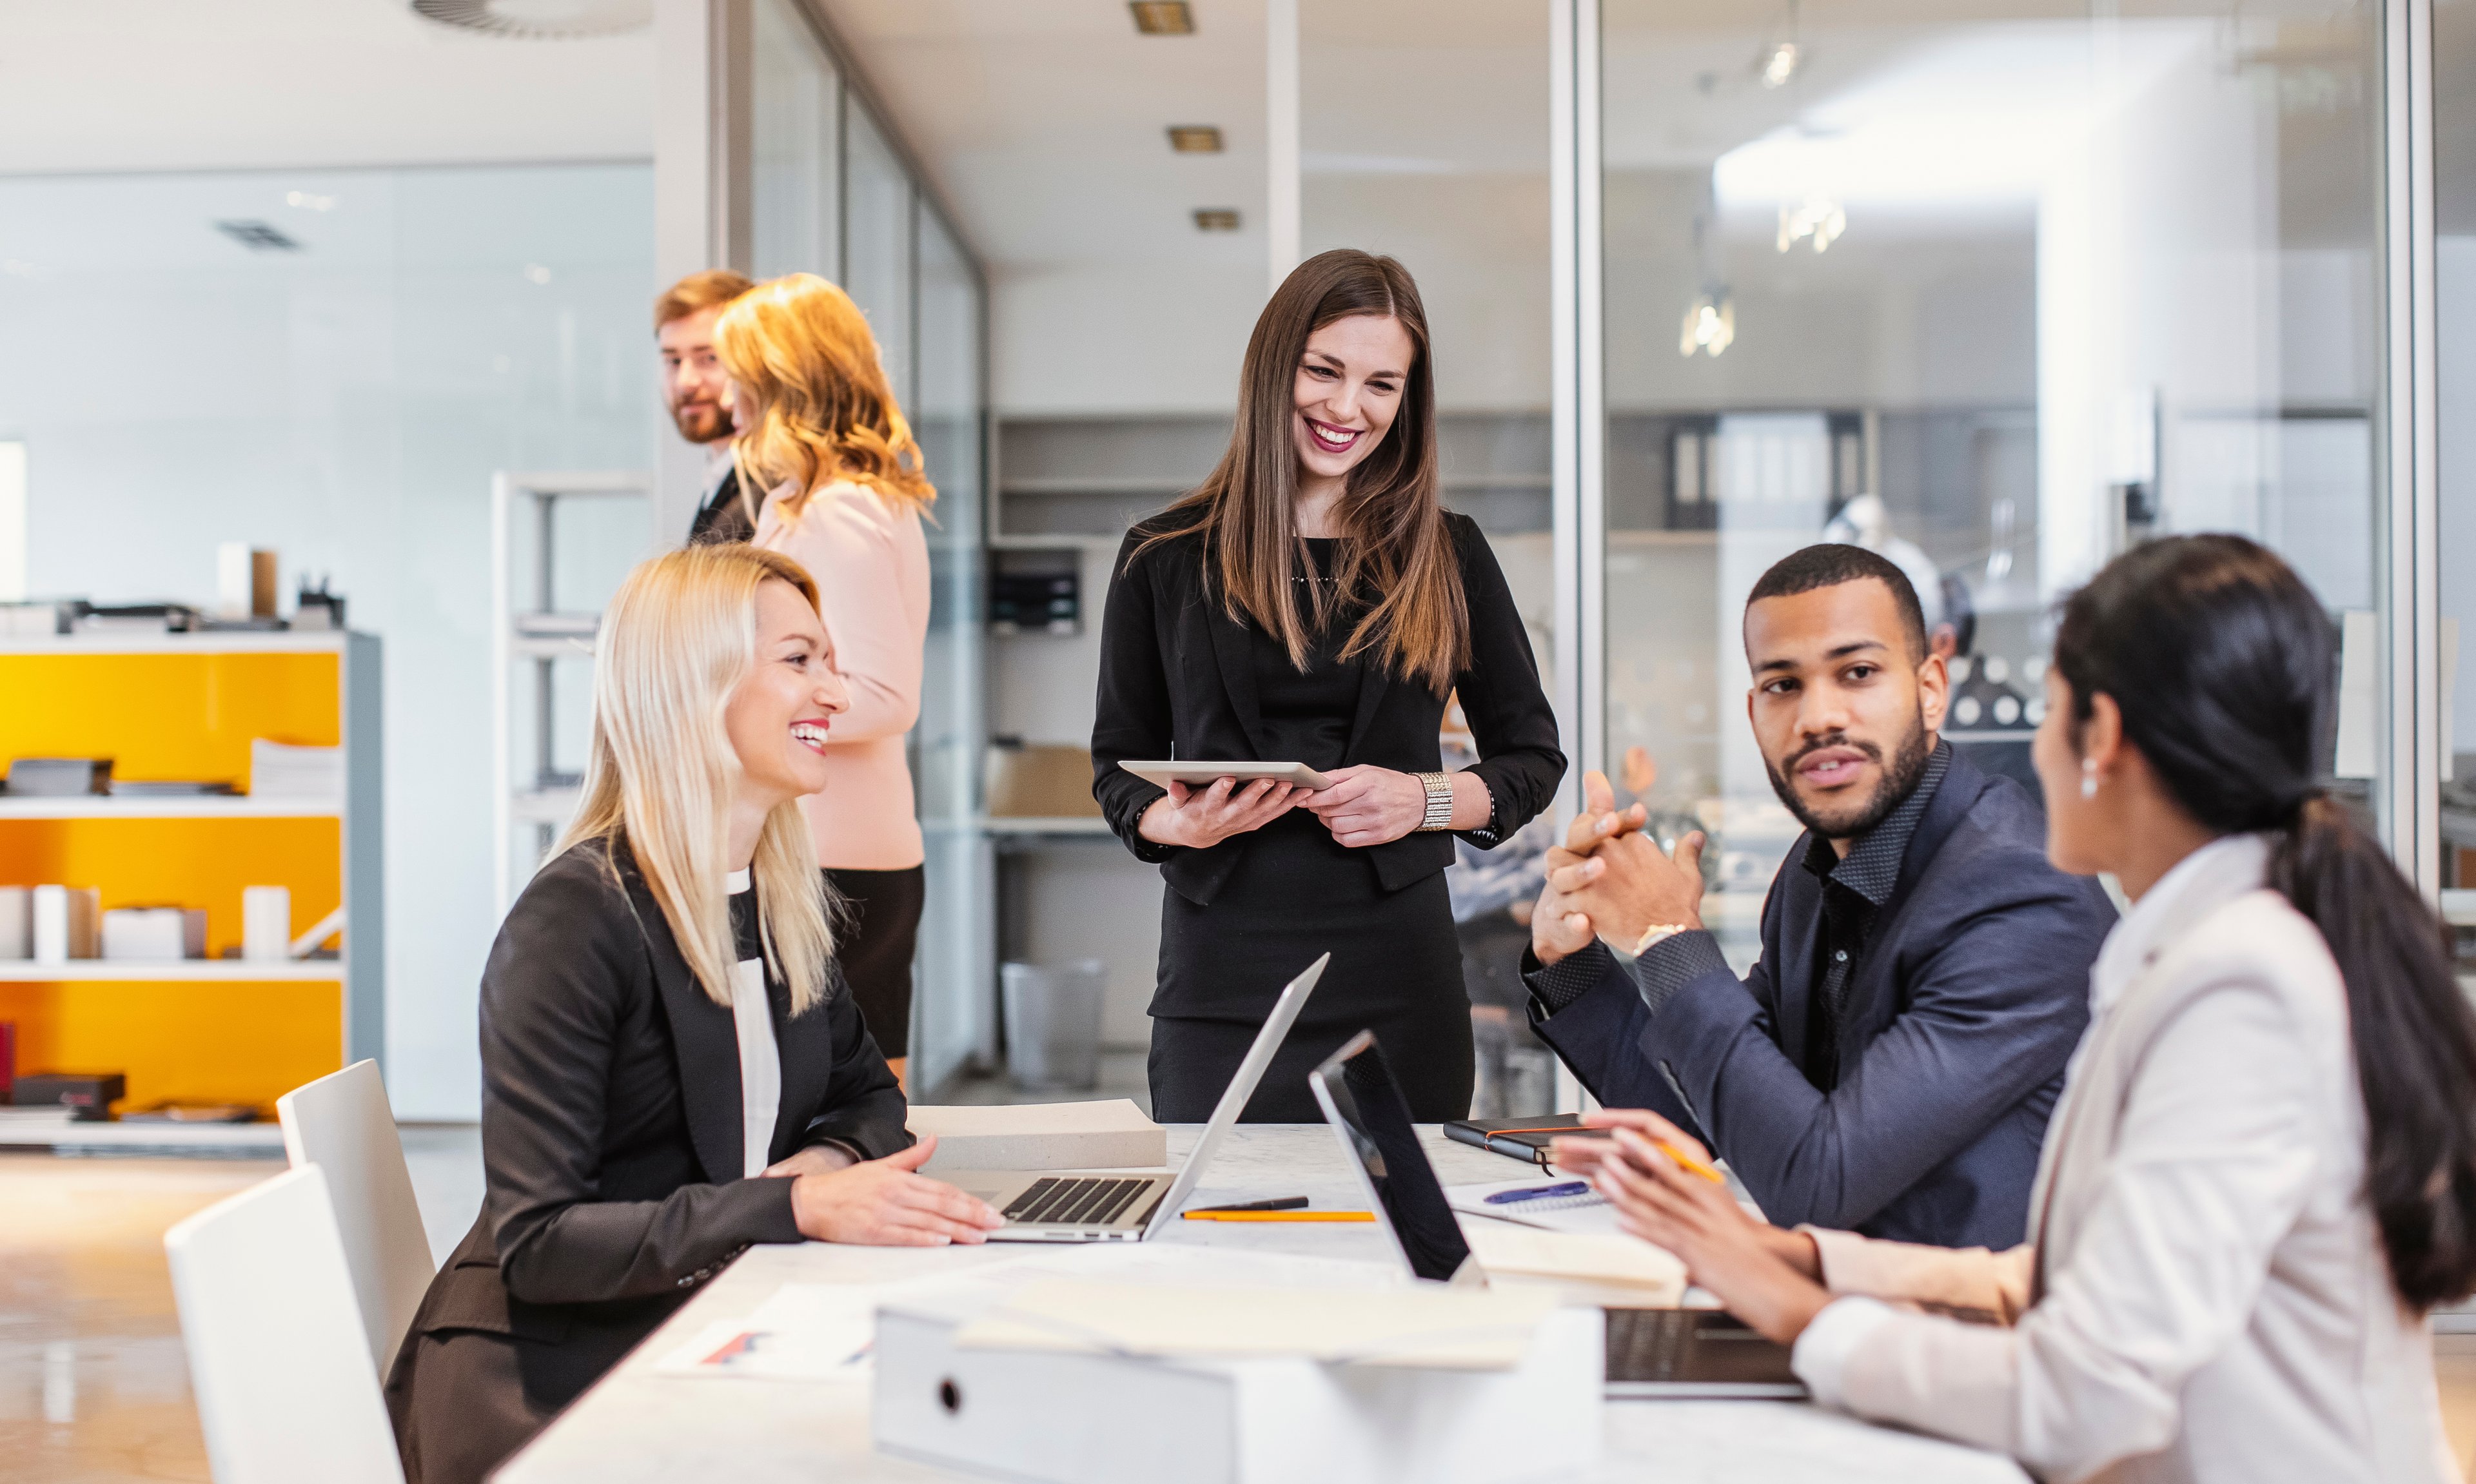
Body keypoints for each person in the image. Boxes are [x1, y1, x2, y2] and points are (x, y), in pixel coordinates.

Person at [1575, 534, 2475, 1483]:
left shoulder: (2236, 987)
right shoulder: (2198, 954)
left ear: (2105, 737)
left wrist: (1811, 1319)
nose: (2029, 754)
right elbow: (2063, 1273)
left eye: (2048, 714)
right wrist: (1801, 1264)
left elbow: (2088, 1391)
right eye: (1783, 684)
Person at [384, 546, 1002, 1484]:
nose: (836, 691)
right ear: (693, 683)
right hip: (543, 1386)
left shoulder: (775, 898)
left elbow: (873, 1100)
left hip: (693, 1323)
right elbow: (541, 1245)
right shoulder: (577, 918)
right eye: (801, 659)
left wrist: (817, 1172)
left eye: (830, 660)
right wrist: (791, 1201)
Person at [1090, 249, 1564, 1122]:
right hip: (1221, 976)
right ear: (1277, 367)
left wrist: (1422, 800)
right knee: (1223, 1242)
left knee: (1399, 1239)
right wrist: (1175, 820)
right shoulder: (1164, 556)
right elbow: (1116, 768)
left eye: (1382, 385)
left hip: (1399, 975)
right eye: (1325, 370)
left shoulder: (1449, 554)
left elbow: (1534, 758)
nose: (1349, 408)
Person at [1526, 543, 2113, 1248]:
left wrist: (1666, 936)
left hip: (1990, 1336)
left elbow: (1820, 1182)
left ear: (1931, 689)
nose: (1818, 717)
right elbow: (1700, 1122)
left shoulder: (2020, 894)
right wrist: (1572, 957)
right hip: (1852, 1312)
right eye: (1783, 685)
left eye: (1857, 673)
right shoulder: (1814, 872)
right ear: (1753, 713)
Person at [712, 275, 936, 1089]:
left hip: (837, 857)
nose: (724, 393)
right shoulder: (808, 501)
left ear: (779, 378)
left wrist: (732, 710)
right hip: (832, 848)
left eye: (733, 369)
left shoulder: (837, 510)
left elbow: (883, 693)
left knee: (848, 1101)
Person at [655, 269, 758, 544]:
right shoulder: (721, 475)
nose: (685, 382)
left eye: (709, 358)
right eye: (673, 361)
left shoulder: (772, 490)